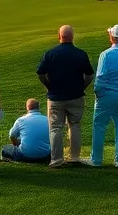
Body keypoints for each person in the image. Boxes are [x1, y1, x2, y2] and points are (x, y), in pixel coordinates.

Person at [36, 25, 95, 168]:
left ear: (59, 36)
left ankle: (56, 160)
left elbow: (41, 73)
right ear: (72, 37)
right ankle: (74, 157)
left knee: (55, 128)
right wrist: (82, 87)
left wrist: (49, 85)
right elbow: (89, 75)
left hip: (55, 97)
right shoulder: (80, 54)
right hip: (75, 96)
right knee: (74, 125)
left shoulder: (50, 53)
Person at [90, 24, 118, 168]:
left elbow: (101, 77)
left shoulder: (106, 54)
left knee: (99, 126)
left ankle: (96, 160)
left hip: (108, 95)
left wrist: (97, 93)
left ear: (111, 37)